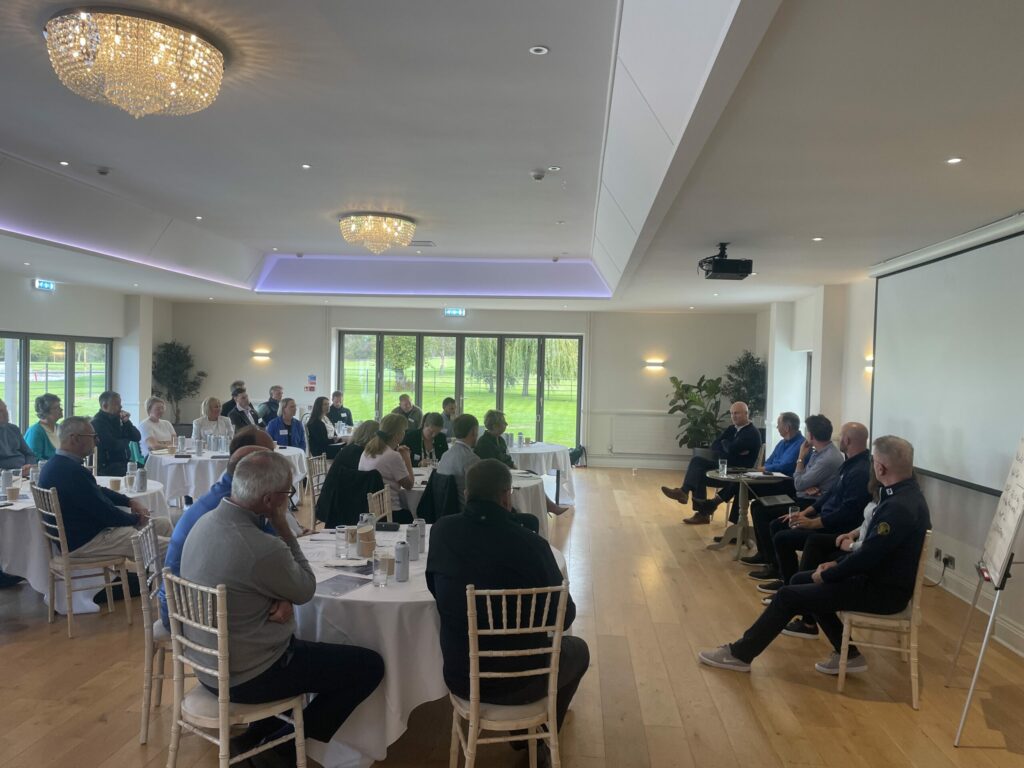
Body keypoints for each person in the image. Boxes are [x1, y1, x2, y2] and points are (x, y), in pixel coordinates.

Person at [179, 451, 384, 760]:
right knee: (368, 667)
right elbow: (306, 587)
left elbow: (248, 583)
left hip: (206, 667)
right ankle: (280, 750)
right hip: (249, 675)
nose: (289, 501)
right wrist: (285, 529)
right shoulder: (261, 547)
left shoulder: (204, 522)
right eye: (287, 495)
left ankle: (255, 737)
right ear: (270, 501)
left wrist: (278, 596)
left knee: (310, 654)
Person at [699, 436, 930, 677]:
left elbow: (868, 556)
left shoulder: (897, 507)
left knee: (788, 595)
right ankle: (848, 655)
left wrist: (830, 573)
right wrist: (834, 564)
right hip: (878, 580)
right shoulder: (904, 495)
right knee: (800, 580)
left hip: (882, 592)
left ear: (880, 468)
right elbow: (871, 552)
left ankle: (740, 654)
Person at [427, 459, 590, 760]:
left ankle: (526, 735)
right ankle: (539, 737)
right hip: (523, 680)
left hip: (461, 674)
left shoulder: (441, 532)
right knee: (579, 650)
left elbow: (436, 591)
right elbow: (564, 616)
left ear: (467, 493)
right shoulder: (533, 546)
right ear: (506, 497)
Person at [158, 441, 274, 627]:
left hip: (179, 602)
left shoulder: (223, 493)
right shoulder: (234, 505)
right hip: (190, 615)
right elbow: (270, 556)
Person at [748, 422, 872, 589]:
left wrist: (813, 522)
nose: (838, 438)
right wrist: (805, 513)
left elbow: (848, 511)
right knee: (776, 522)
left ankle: (790, 585)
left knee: (781, 535)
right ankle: (785, 578)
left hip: (836, 525)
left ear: (847, 440)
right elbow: (829, 493)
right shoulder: (849, 463)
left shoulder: (859, 470)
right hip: (820, 511)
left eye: (841, 435)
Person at [38, 416, 171, 558]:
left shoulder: (56, 464)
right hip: (86, 542)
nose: (97, 441)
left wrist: (129, 501)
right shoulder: (70, 471)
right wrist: (135, 519)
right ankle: (168, 569)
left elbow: (97, 490)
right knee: (174, 547)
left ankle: (157, 571)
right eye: (93, 436)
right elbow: (106, 513)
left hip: (88, 534)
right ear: (75, 438)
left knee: (163, 524)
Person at [662, 402, 761, 524]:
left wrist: (726, 445)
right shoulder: (732, 429)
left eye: (737, 413)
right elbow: (715, 445)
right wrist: (727, 447)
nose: (733, 416)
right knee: (697, 464)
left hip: (737, 473)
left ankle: (700, 510)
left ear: (746, 414)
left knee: (699, 471)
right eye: (732, 413)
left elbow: (732, 448)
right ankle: (686, 494)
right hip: (724, 467)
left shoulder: (751, 433)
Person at [473, 410, 569, 516]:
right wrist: (513, 471)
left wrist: (516, 468)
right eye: (503, 422)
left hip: (507, 472)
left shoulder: (500, 440)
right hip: (497, 477)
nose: (506, 424)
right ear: (495, 426)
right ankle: (546, 507)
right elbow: (492, 465)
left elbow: (507, 458)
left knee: (533, 475)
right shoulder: (484, 443)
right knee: (531, 477)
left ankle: (543, 507)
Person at [358, 413, 415, 523]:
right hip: (390, 512)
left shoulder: (366, 451)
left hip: (368, 510)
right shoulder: (393, 456)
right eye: (404, 431)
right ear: (397, 435)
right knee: (420, 514)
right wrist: (407, 458)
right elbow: (409, 485)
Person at [792, 414, 844, 500]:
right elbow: (803, 479)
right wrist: (806, 487)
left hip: (814, 503)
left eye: (807, 432)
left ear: (811, 436)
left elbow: (798, 484)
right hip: (807, 497)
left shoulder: (827, 458)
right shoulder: (819, 451)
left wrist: (801, 457)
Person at [436, 414, 481, 510]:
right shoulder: (472, 459)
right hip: (465, 512)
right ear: (474, 431)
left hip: (443, 511)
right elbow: (480, 493)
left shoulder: (445, 456)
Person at [92, 390, 141, 477]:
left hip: (123, 463)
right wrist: (127, 439)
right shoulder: (97, 422)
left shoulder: (118, 418)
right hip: (108, 466)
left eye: (120, 403)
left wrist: (127, 422)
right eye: (117, 404)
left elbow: (137, 437)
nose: (121, 406)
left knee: (144, 470)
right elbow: (113, 445)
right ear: (105, 406)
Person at [0, 397, 37, 473]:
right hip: (6, 475)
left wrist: (29, 465)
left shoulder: (13, 429)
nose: (6, 413)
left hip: (25, 472)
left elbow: (29, 454)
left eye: (5, 409)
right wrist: (16, 472)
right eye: (1, 411)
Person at [24, 393, 63, 462]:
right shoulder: (35, 431)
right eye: (56, 407)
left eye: (60, 406)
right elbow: (34, 459)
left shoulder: (61, 428)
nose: (61, 409)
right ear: (46, 412)